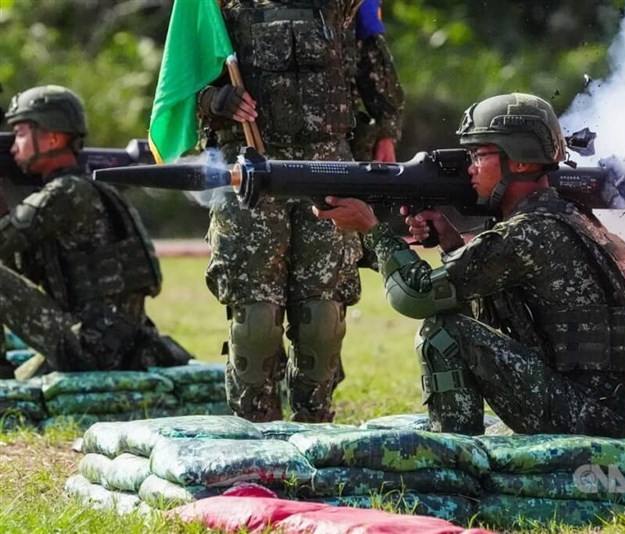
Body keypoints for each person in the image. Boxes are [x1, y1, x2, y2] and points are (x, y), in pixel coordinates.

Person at [316, 92, 625, 442]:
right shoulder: (565, 217)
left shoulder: (529, 232)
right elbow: (493, 299)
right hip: (613, 411)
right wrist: (449, 242)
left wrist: (372, 230)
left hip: (591, 417)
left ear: (521, 159)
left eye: (480, 155)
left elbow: (418, 297)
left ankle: (455, 461)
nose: (470, 169)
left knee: (444, 333)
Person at [198, 0, 404, 422]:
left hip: (328, 168)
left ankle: (315, 432)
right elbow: (182, 84)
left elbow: (371, 58)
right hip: (251, 170)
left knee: (322, 322)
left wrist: (385, 127)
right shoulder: (217, 6)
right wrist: (218, 99)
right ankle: (255, 438)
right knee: (255, 321)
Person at [0, 85, 191, 379]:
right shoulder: (91, 188)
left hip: (90, 346)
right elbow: (19, 263)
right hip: (121, 346)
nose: (13, 146)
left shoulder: (65, 194)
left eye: (21, 133)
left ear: (52, 137)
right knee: (24, 378)